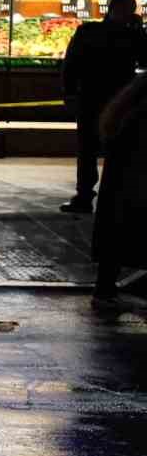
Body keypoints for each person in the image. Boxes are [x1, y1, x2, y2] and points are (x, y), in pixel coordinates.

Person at [60, 0, 147, 214]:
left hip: (94, 98)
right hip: (117, 101)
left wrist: (69, 94)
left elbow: (70, 65)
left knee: (88, 149)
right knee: (115, 149)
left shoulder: (89, 31)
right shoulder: (130, 36)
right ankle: (109, 199)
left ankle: (85, 196)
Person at [91, 72, 147, 307]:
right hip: (137, 183)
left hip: (122, 185)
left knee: (114, 234)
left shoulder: (132, 98)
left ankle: (104, 289)